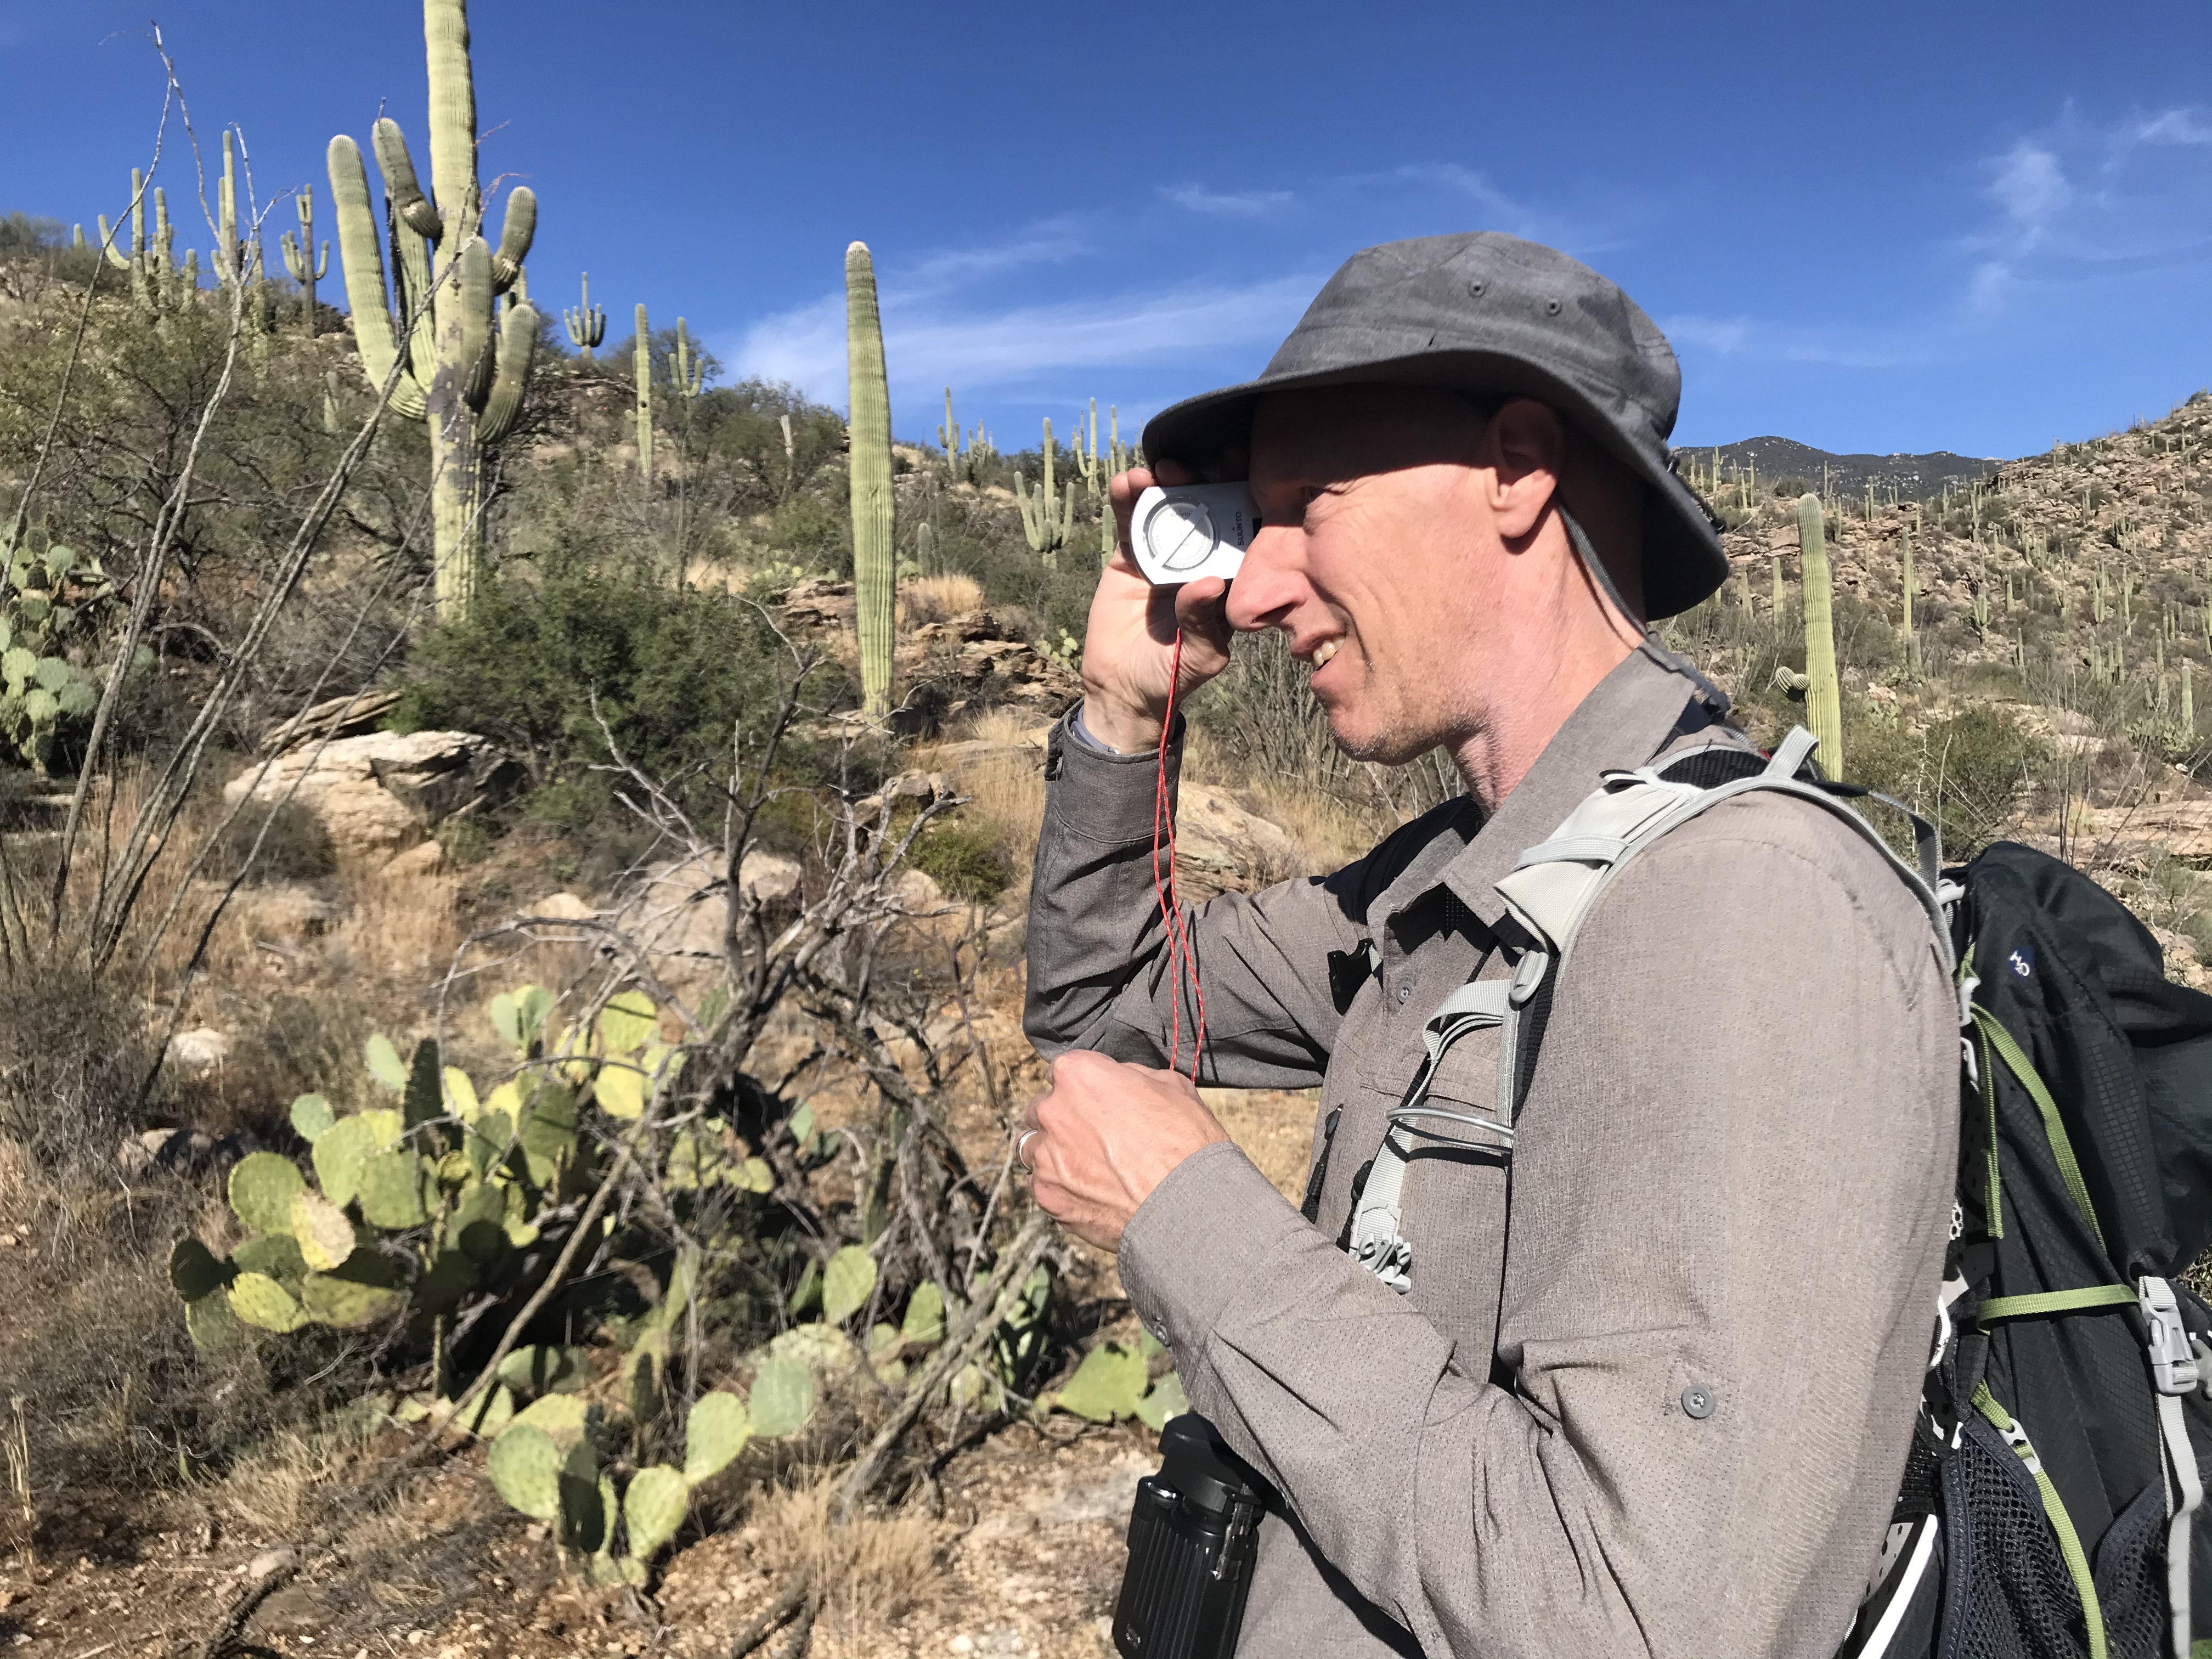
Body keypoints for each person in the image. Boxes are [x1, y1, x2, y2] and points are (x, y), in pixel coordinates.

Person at [1015, 233, 1959, 1658]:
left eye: (1308, 505)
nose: (1258, 592)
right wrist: (1125, 717)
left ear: (1518, 468)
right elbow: (1110, 1009)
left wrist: (1190, 1221)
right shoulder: (1457, 879)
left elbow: (1648, 1622)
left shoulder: (1745, 904)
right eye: (1245, 526)